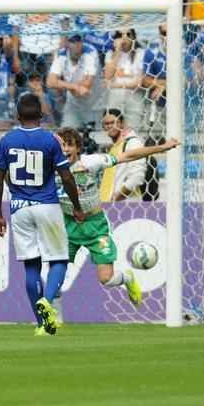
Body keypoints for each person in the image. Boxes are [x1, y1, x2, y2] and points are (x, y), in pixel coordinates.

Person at [53, 128, 182, 318]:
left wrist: (162, 147)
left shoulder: (91, 162)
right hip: (68, 226)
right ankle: (55, 320)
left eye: (69, 145)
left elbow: (128, 155)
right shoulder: (49, 168)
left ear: (78, 148)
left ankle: (127, 277)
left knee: (106, 278)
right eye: (61, 145)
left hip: (95, 226)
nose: (65, 150)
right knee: (55, 276)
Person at [0, 93, 84, 336]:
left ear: (17, 116)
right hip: (47, 205)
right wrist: (76, 206)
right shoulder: (51, 140)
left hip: (19, 208)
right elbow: (66, 176)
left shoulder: (6, 140)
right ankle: (48, 300)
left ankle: (42, 323)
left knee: (31, 266)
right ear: (41, 116)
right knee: (59, 259)